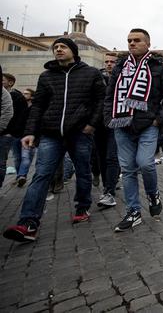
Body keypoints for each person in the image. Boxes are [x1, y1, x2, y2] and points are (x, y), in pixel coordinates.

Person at [4, 38, 105, 242]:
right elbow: (38, 106)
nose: (58, 49)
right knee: (41, 174)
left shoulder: (90, 73)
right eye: (56, 47)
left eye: (63, 47)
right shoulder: (46, 76)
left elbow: (101, 101)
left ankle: (83, 206)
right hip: (50, 133)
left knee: (83, 171)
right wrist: (30, 131)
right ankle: (28, 223)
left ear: (73, 51)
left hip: (80, 132)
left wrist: (91, 124)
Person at [104, 28, 163, 232]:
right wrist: (109, 118)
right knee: (127, 170)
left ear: (148, 44)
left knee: (145, 163)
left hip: (147, 124)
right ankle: (133, 211)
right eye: (129, 40)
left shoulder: (160, 68)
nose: (132, 44)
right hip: (121, 124)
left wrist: (158, 120)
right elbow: (110, 95)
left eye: (137, 40)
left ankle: (153, 194)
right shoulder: (120, 67)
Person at [96, 52, 120, 208]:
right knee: (101, 157)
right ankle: (107, 184)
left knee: (111, 156)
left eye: (112, 61)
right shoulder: (97, 78)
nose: (109, 64)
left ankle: (109, 190)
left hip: (116, 122)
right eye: (107, 61)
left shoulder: (122, 79)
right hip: (98, 123)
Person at [1, 73, 29, 188]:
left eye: (2, 80)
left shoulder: (16, 96)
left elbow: (19, 116)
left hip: (12, 133)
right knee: (18, 157)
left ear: (10, 82)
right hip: (11, 133)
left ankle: (21, 175)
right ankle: (20, 176)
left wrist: (10, 131)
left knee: (22, 156)